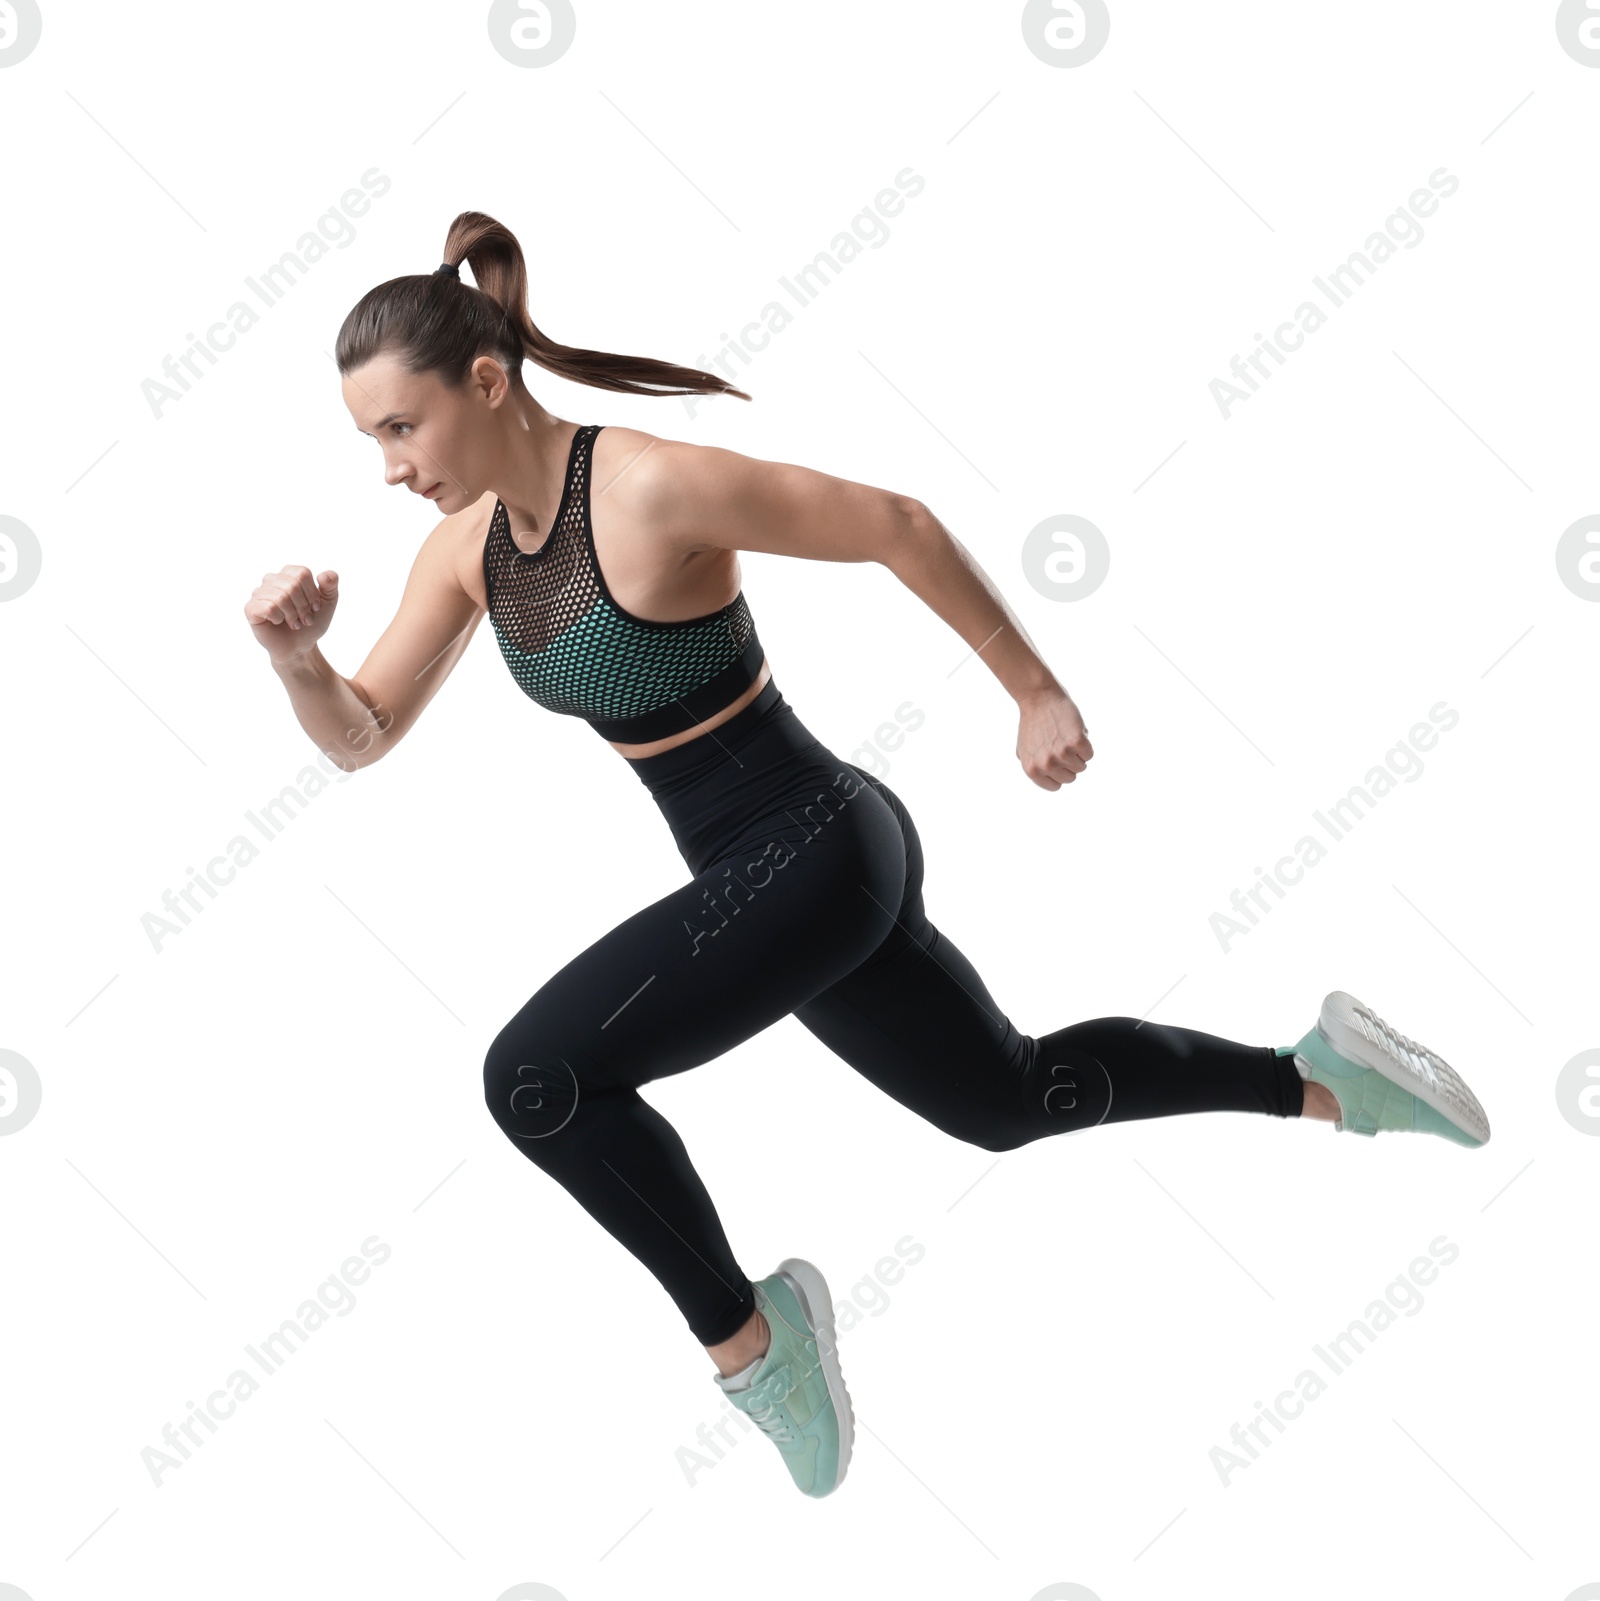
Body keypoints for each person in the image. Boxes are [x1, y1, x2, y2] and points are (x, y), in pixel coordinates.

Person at [243, 210, 1491, 1501]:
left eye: (401, 427)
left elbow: (892, 520)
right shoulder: (466, 553)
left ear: (485, 384)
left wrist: (1032, 689)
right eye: (370, 440)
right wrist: (296, 662)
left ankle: (751, 1341)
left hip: (815, 841)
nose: (390, 466)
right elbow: (363, 733)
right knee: (1009, 1101)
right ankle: (1323, 1077)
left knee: (541, 1077)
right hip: (758, 877)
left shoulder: (648, 484)